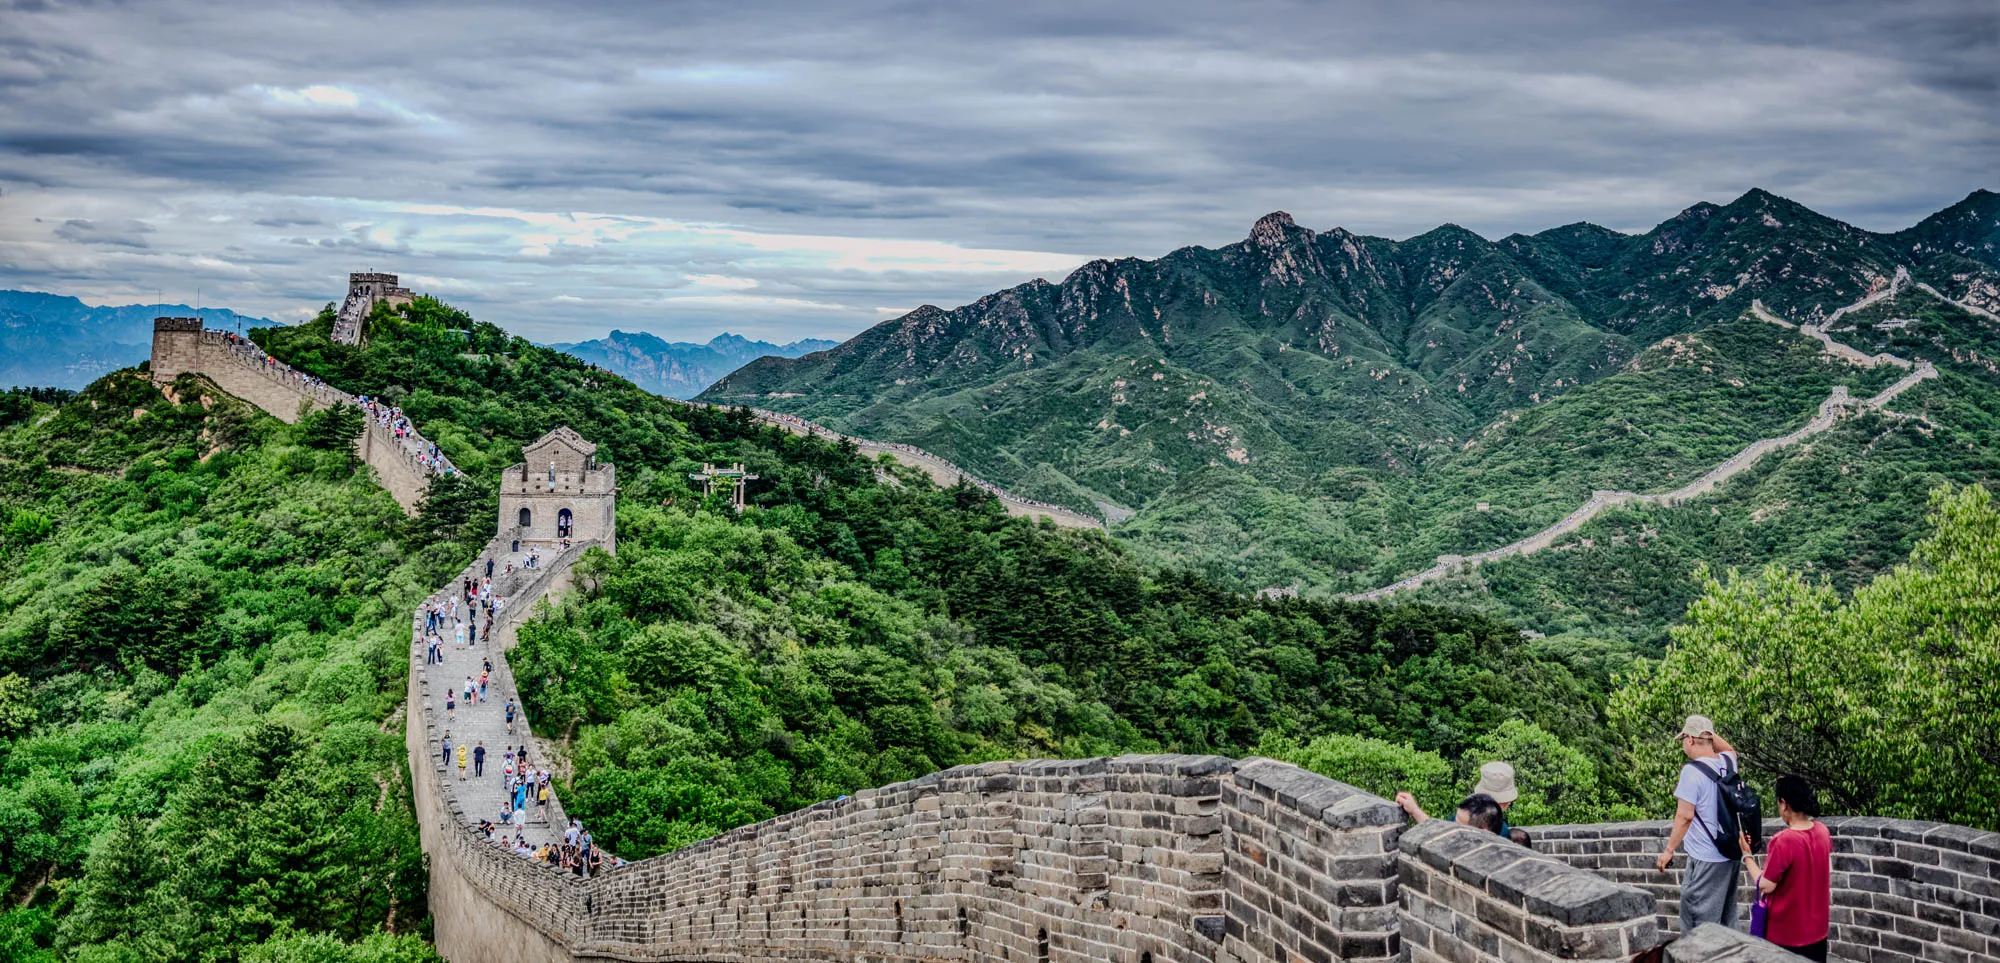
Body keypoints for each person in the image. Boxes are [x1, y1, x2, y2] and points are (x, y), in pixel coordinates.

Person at [1655, 715, 1742, 936]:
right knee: (1726, 921)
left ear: (1690, 740)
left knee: (1699, 926)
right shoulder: (1728, 762)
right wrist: (1708, 732)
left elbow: (1685, 816)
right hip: (1731, 854)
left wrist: (1668, 850)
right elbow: (1729, 748)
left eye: (1684, 739)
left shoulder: (1691, 772)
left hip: (1707, 858)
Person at [1739, 776, 1831, 960]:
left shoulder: (1784, 840)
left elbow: (1766, 885)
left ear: (1784, 804)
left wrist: (1747, 856)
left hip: (1787, 935)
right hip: (1818, 931)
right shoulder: (1822, 831)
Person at [1394, 760, 1523, 841]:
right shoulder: (1501, 830)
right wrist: (1414, 811)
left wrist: (1415, 811)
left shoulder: (1466, 813)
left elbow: (1439, 834)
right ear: (1506, 802)